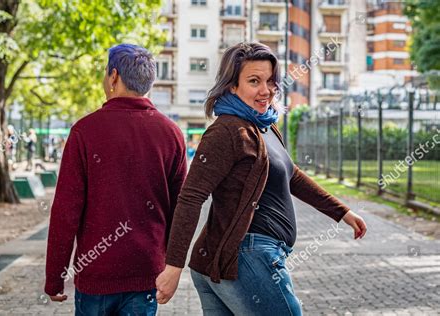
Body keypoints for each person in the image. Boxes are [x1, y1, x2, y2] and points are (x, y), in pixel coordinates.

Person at [155, 42, 367, 315]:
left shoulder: (263, 126)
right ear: (232, 85)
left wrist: (342, 212)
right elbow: (191, 197)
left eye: (270, 81)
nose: (265, 90)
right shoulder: (226, 131)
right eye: (254, 81)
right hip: (246, 259)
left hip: (235, 260)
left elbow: (292, 175)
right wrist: (173, 267)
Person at [44, 43, 187, 316]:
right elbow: (182, 209)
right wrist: (172, 266)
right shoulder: (171, 134)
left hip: (96, 273)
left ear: (113, 77)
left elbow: (65, 211)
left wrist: (54, 276)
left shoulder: (84, 131)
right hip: (146, 272)